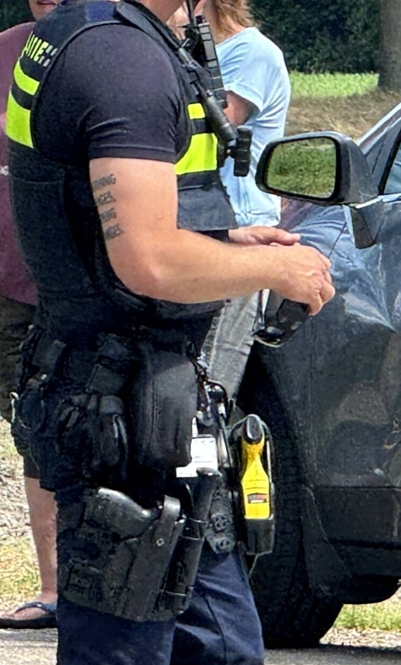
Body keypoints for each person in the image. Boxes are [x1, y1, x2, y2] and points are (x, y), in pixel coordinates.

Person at [5, 0, 334, 665]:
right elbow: (147, 259)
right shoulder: (121, 60)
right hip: (118, 418)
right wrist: (276, 267)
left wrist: (227, 242)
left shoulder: (100, 34)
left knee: (221, 654)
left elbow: (104, 214)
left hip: (155, 404)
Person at [0, 0, 60, 630]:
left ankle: (99, 583)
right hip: (8, 273)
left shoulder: (109, 47)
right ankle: (53, 588)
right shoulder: (8, 47)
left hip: (80, 278)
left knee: (90, 422)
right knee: (28, 420)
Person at [173, 0, 291, 401]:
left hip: (241, 226)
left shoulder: (254, 53)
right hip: (197, 224)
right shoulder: (185, 52)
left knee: (212, 375)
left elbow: (210, 123)